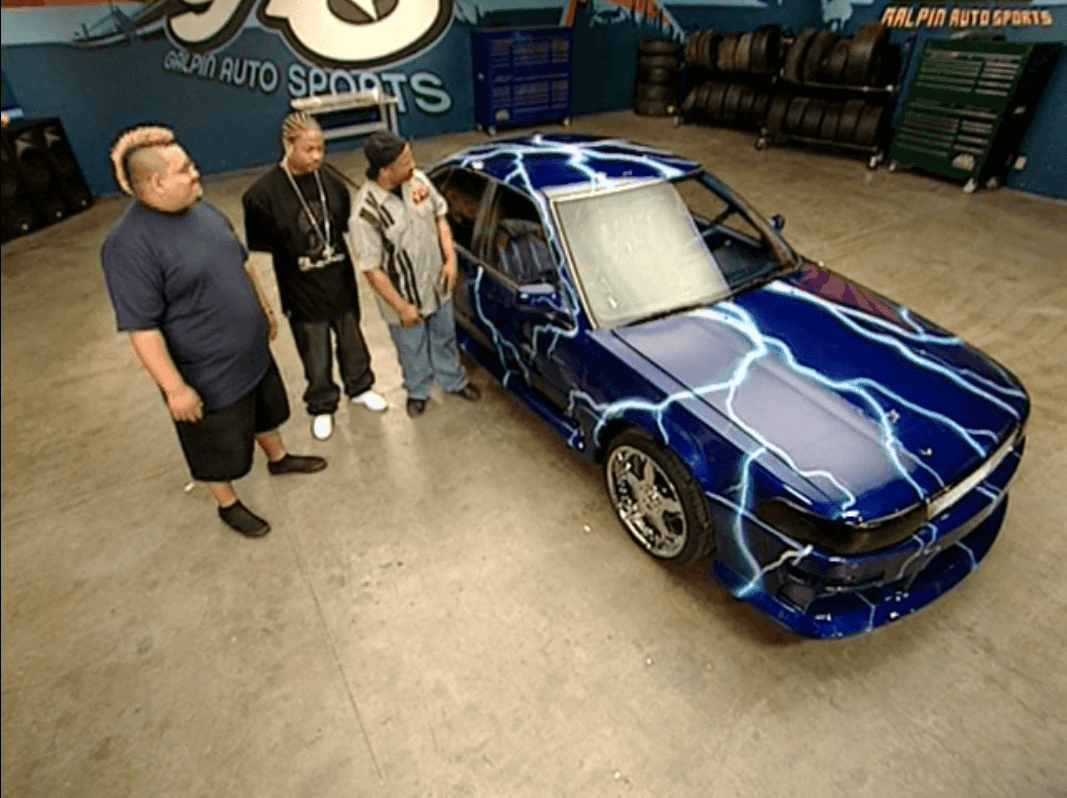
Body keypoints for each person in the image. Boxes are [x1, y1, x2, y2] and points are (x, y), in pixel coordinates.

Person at [100, 125, 326, 538]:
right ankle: (227, 503)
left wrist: (264, 309)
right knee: (215, 446)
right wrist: (174, 389)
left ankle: (278, 458)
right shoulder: (128, 245)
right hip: (207, 372)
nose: (196, 173)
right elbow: (142, 328)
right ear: (157, 182)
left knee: (264, 411)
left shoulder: (202, 209)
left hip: (250, 353)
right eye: (185, 169)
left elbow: (241, 262)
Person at [242, 112, 386, 442]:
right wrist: (263, 302)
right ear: (287, 144)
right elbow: (257, 258)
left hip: (340, 284)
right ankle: (322, 405)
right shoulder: (261, 196)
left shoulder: (333, 183)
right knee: (315, 353)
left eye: (321, 148)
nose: (317, 156)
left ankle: (361, 387)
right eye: (309, 149)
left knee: (353, 342)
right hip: (301, 293)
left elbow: (353, 231)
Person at [349, 131, 480, 417]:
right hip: (403, 299)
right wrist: (401, 307)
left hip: (437, 286)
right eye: (405, 161)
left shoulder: (417, 181)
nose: (413, 164)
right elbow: (372, 270)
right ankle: (418, 390)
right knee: (412, 349)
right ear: (385, 170)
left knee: (445, 337)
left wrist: (450, 259)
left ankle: (453, 380)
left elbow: (439, 215)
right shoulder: (365, 214)